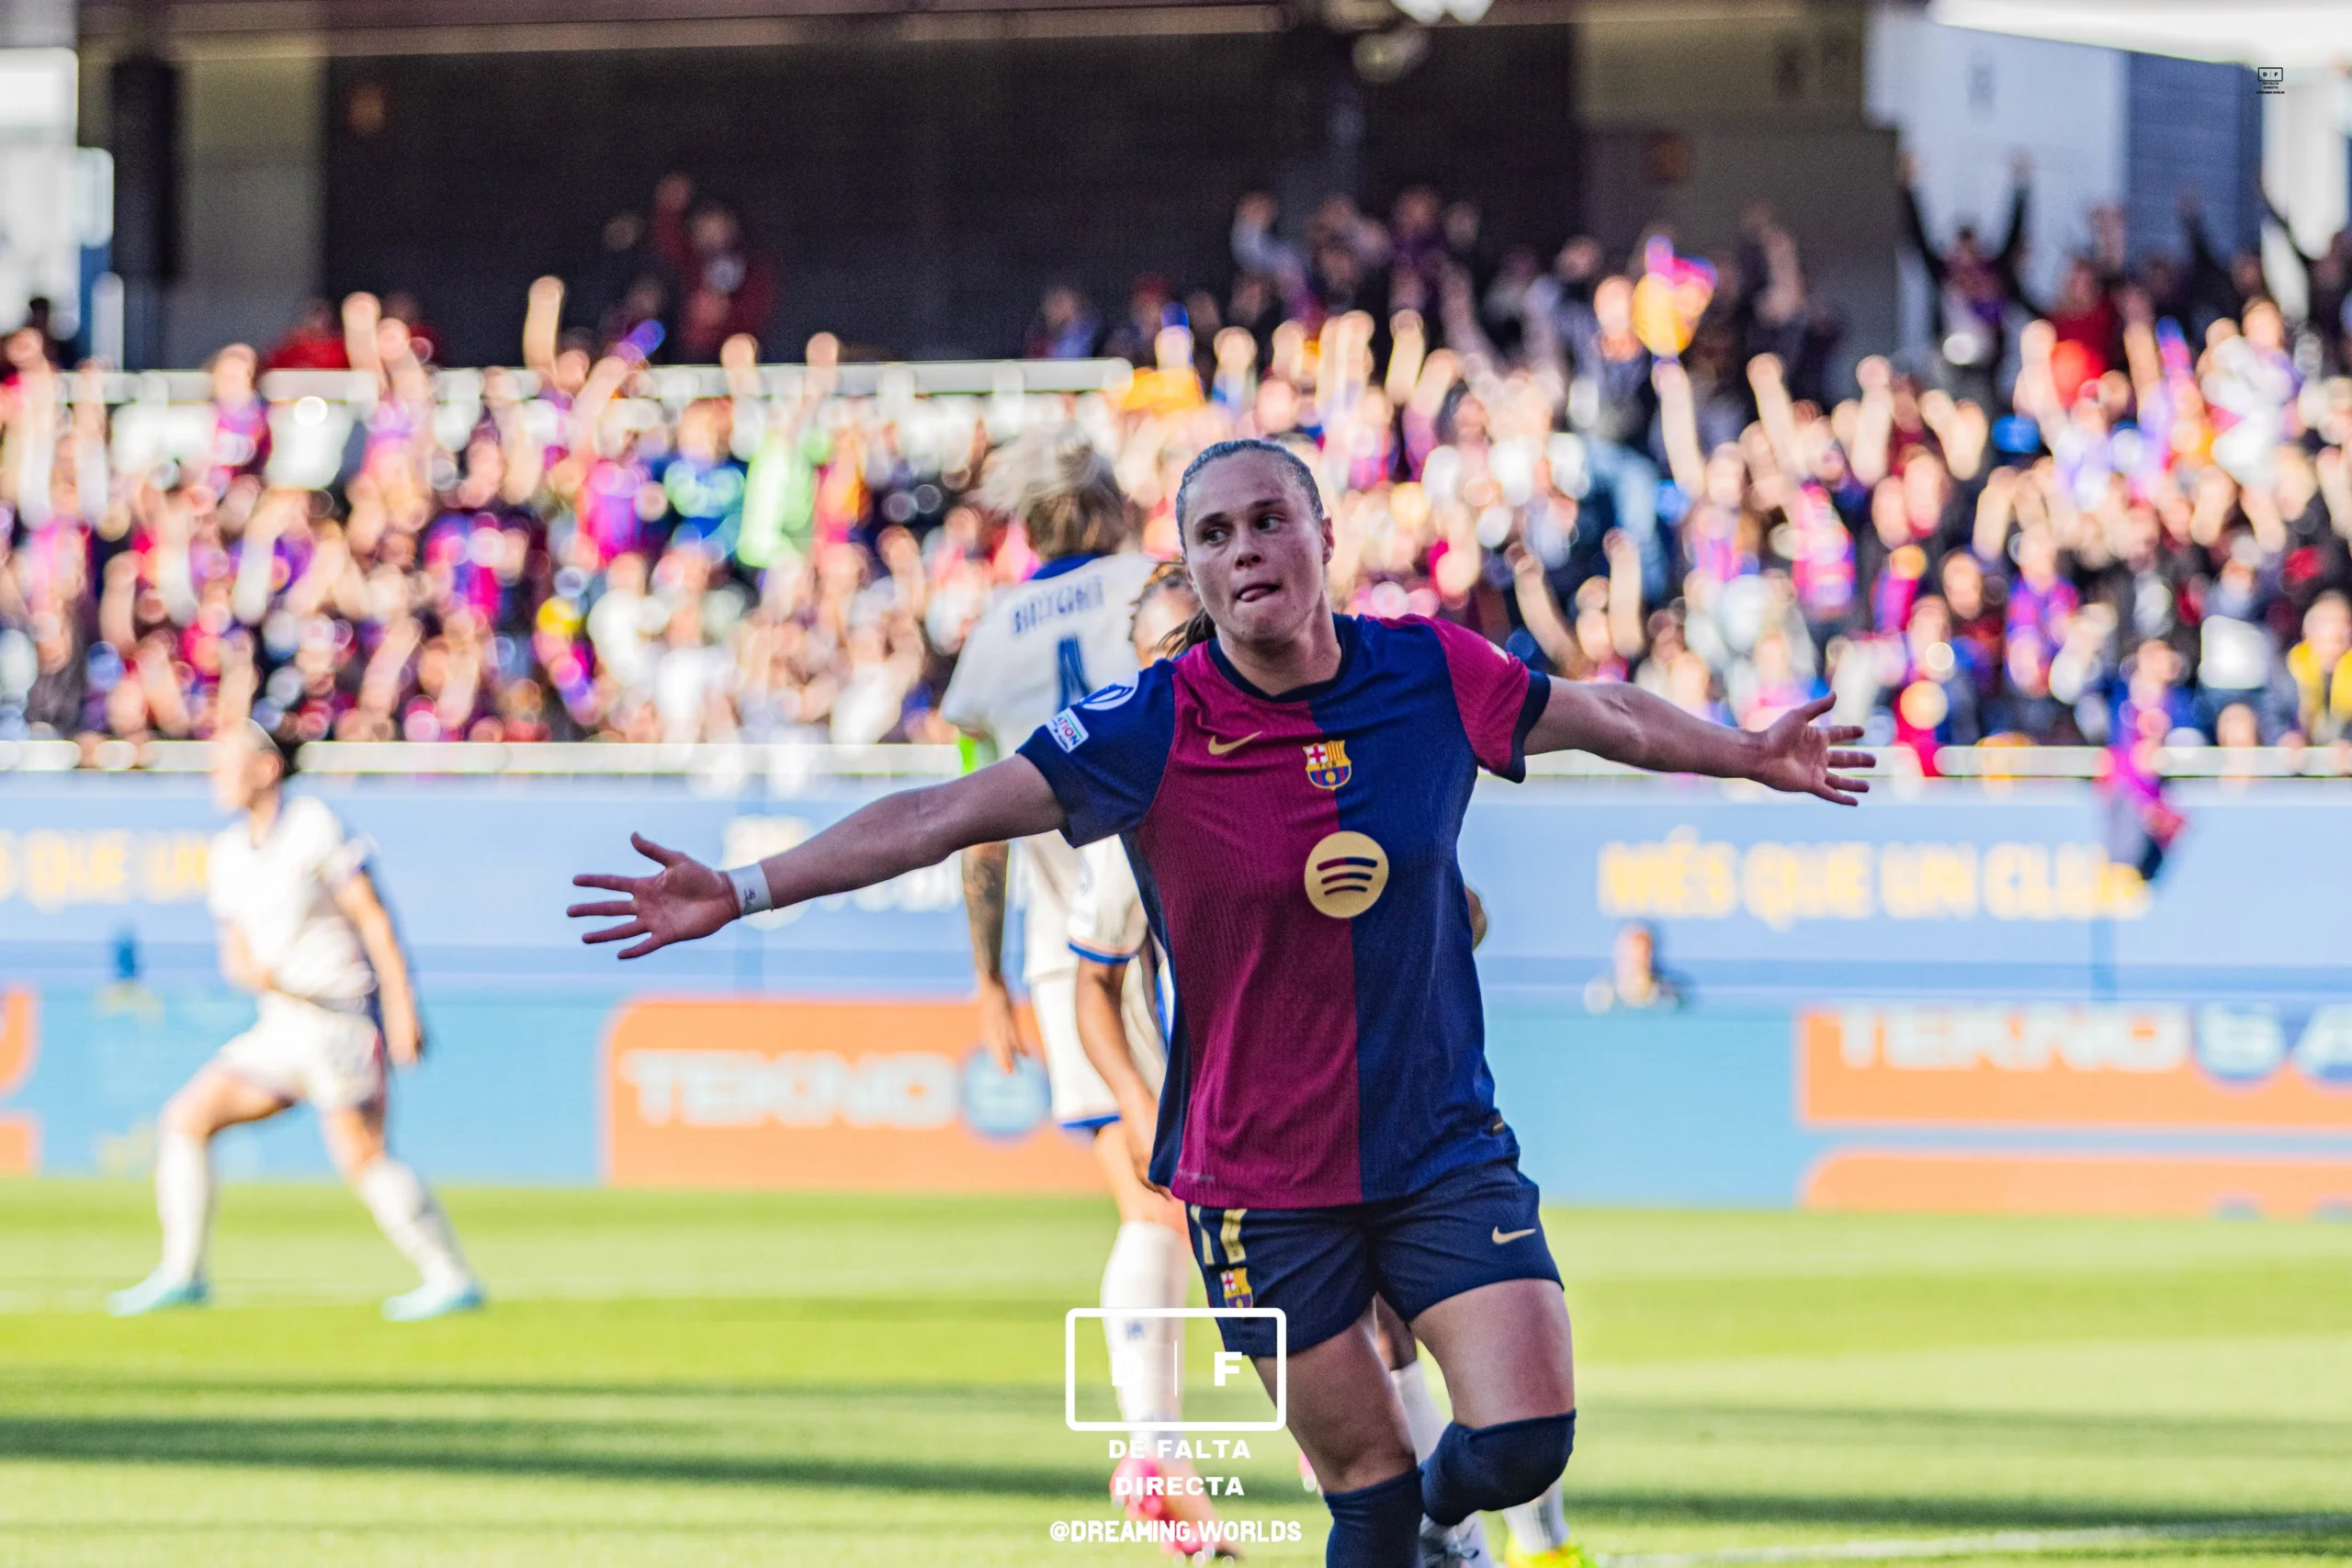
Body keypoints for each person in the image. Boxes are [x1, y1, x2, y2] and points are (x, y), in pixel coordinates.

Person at [568, 436, 1870, 1566]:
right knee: (1360, 1490)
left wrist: (1748, 753)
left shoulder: (1429, 673)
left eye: (1267, 519)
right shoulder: (1148, 726)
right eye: (1212, 532)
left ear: (1322, 535)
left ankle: (1440, 1517)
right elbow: (946, 811)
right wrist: (742, 886)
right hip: (1259, 1179)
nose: (1244, 547)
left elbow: (1603, 716)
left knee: (1524, 1437)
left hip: (1436, 1142)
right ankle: (1406, 1521)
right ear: (1188, 571)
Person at [929, 426, 1185, 1537]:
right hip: (1204, 915)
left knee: (1148, 1207)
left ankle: (1153, 1455)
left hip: (1069, 941)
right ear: (1118, 504)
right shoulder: (1165, 585)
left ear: (1026, 524)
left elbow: (975, 831)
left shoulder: (988, 639)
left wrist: (985, 979)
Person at [109, 653, 482, 1321]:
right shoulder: (227, 851)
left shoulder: (313, 825)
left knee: (362, 1157)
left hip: (337, 1019)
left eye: (229, 760)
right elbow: (236, 948)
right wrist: (248, 969)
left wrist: (401, 1009)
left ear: (267, 767)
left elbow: (375, 921)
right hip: (283, 1021)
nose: (217, 773)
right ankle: (183, 1272)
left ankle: (450, 1276)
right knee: (187, 1118)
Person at [1068, 560, 1238, 1559]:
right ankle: (1154, 1449)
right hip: (1119, 977)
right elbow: (954, 820)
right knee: (1154, 1205)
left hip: (1113, 967)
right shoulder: (1139, 763)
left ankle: (1155, 1449)